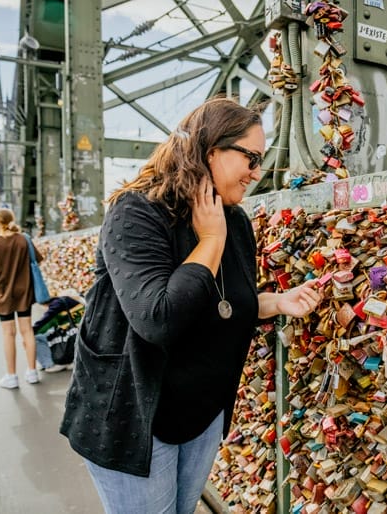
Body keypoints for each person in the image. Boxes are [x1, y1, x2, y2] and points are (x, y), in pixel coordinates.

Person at [60, 97, 323, 514]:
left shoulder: (233, 219)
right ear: (210, 150)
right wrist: (210, 241)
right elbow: (159, 319)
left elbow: (220, 303)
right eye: (251, 158)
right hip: (135, 417)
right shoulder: (137, 212)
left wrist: (275, 301)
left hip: (200, 414)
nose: (257, 172)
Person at [0, 208, 43, 389]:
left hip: (2, 294)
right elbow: (38, 260)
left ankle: (11, 376)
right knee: (27, 331)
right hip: (24, 291)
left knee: (9, 334)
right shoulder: (23, 240)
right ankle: (32, 372)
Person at [34, 294, 83, 372]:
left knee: (34, 338)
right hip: (80, 334)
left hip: (71, 337)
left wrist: (29, 331)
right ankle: (71, 360)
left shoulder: (56, 306)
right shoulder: (69, 300)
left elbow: (42, 326)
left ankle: (49, 364)